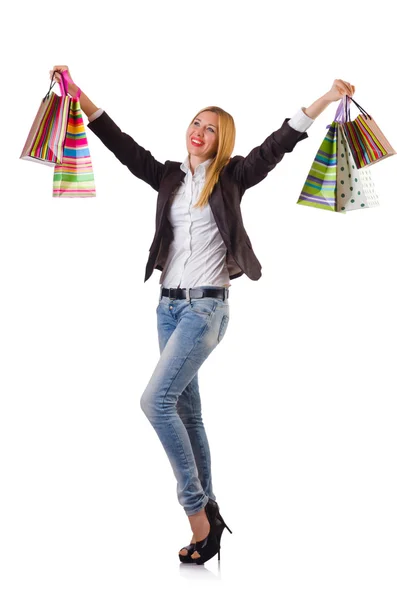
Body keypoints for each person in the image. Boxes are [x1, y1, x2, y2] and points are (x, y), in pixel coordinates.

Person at [50, 66, 355, 565]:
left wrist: (325, 98)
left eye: (211, 127)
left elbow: (281, 142)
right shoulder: (169, 174)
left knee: (154, 402)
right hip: (167, 308)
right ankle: (211, 509)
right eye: (196, 122)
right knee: (187, 412)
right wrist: (78, 96)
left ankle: (196, 513)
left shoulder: (234, 176)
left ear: (222, 139)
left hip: (206, 308)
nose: (199, 130)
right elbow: (119, 142)